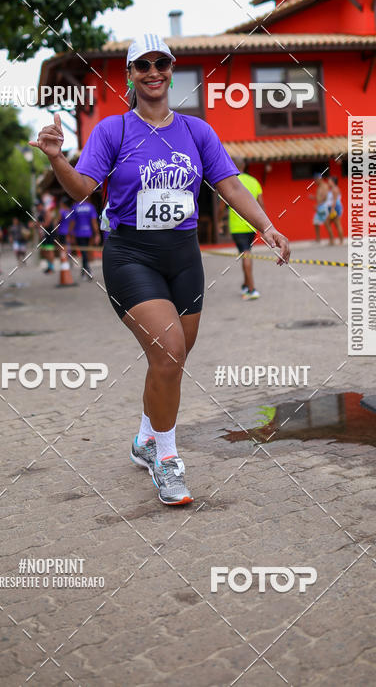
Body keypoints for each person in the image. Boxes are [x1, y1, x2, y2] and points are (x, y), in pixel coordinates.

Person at [30, 34, 290, 506]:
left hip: (184, 257)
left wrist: (266, 226)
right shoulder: (113, 131)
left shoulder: (196, 131)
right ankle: (167, 459)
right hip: (131, 255)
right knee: (169, 353)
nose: (153, 71)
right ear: (129, 74)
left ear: (171, 70)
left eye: (161, 63)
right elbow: (82, 189)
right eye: (142, 65)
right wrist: (56, 158)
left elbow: (229, 185)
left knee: (171, 358)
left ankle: (145, 437)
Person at [219, 158, 264, 300]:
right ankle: (246, 284)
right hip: (252, 226)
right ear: (244, 165)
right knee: (246, 254)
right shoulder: (254, 181)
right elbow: (261, 205)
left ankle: (252, 289)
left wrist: (220, 221)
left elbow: (221, 207)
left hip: (237, 227)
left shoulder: (230, 183)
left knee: (245, 254)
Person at [71, 199, 100, 280]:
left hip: (79, 233)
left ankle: (87, 272)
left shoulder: (75, 207)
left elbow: (72, 222)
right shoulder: (90, 207)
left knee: (84, 253)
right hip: (88, 233)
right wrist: (97, 234)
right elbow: (94, 222)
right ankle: (84, 271)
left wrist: (71, 234)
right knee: (85, 253)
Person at [310, 173, 334, 245]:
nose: (315, 181)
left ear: (319, 179)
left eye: (316, 180)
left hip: (323, 207)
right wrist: (313, 197)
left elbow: (325, 197)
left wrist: (318, 205)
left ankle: (332, 240)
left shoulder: (324, 186)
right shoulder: (319, 187)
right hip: (320, 206)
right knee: (316, 223)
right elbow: (319, 197)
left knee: (327, 224)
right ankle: (318, 239)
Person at [327, 176, 344, 245]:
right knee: (333, 224)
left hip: (335, 208)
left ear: (333, 182)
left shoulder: (335, 189)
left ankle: (339, 241)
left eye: (329, 181)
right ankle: (334, 240)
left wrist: (332, 209)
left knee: (335, 223)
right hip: (333, 207)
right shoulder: (333, 189)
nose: (328, 182)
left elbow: (334, 200)